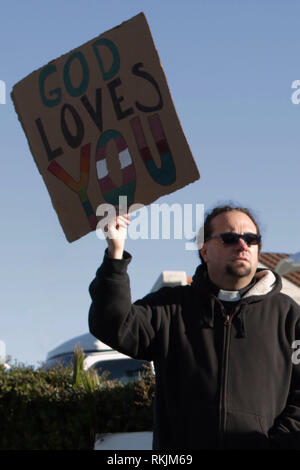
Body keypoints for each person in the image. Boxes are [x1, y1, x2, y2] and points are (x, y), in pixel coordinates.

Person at [88, 204, 300, 449]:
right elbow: (113, 324)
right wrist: (115, 253)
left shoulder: (289, 317)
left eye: (251, 239)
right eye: (230, 238)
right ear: (205, 251)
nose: (242, 245)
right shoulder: (171, 307)